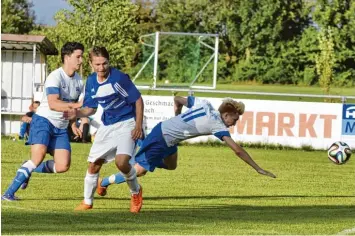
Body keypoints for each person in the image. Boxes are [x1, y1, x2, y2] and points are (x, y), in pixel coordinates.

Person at [96, 96, 276, 197]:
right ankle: (103, 182)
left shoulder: (204, 104)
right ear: (227, 114)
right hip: (163, 137)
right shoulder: (217, 125)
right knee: (139, 171)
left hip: (168, 138)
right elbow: (236, 149)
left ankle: (143, 152)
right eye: (234, 120)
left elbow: (177, 98)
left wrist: (177, 115)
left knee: (172, 166)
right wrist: (258, 168)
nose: (233, 124)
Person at [2, 42, 85, 201]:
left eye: (81, 56)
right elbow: (53, 104)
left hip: (60, 128)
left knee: (62, 166)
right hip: (43, 121)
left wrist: (73, 124)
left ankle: (27, 167)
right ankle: (8, 193)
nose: (81, 60)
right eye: (78, 56)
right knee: (38, 157)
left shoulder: (79, 81)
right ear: (67, 57)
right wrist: (76, 105)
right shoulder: (55, 76)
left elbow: (71, 109)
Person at [67, 46, 144, 213]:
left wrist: (138, 125)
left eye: (104, 63)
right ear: (90, 64)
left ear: (109, 62)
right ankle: (88, 202)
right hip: (108, 126)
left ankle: (136, 192)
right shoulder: (92, 81)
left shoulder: (119, 78)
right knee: (94, 165)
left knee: (122, 162)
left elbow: (138, 100)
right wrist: (77, 113)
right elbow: (91, 108)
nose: (101, 68)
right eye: (97, 64)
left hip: (127, 123)